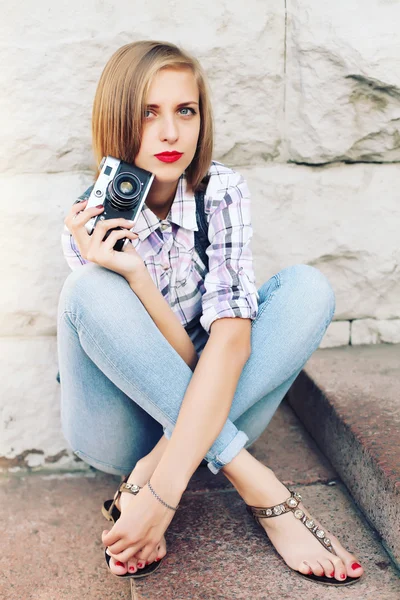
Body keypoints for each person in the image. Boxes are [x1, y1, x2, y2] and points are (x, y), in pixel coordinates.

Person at [57, 40, 363, 587]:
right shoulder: (94, 219)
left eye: (185, 110)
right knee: (87, 289)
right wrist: (131, 274)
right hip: (120, 424)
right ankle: (260, 485)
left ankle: (151, 475)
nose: (170, 132)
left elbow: (229, 343)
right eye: (148, 112)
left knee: (307, 289)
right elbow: (157, 363)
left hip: (209, 395)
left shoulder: (220, 190)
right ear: (117, 120)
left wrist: (158, 491)